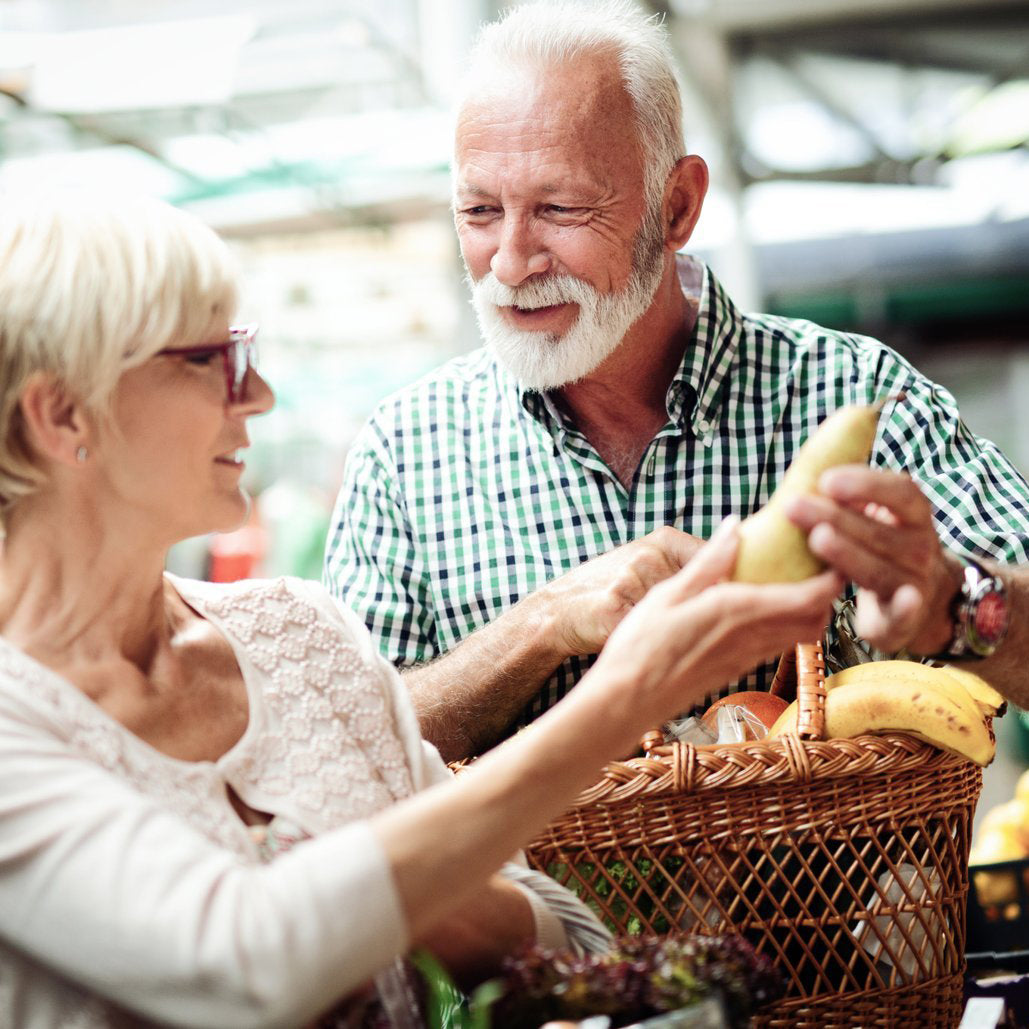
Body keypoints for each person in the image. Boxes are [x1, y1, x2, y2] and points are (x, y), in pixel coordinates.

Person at [0, 190, 839, 1028]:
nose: (256, 395)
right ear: (62, 413)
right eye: (209, 359)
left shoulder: (299, 633)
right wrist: (622, 697)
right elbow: (243, 964)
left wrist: (428, 902)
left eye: (243, 349)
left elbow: (568, 934)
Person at [324, 0, 1029, 763]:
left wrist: (953, 602)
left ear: (677, 205)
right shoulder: (403, 453)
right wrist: (540, 626)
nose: (509, 262)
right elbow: (340, 755)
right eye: (480, 210)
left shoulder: (850, 398)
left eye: (559, 208)